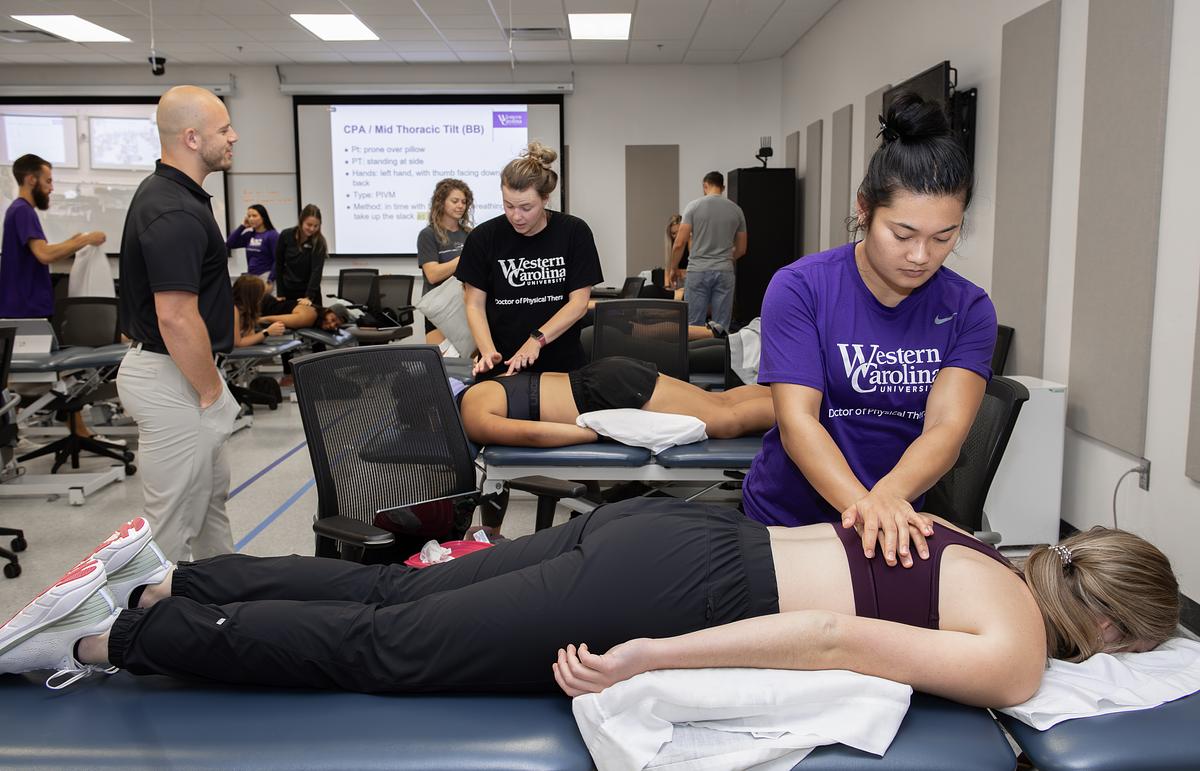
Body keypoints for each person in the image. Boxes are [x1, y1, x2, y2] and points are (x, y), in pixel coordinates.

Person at [0, 502, 1178, 710]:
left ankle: (168, 576)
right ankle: (113, 635)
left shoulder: (993, 550)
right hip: (682, 585)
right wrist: (653, 654)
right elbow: (825, 633)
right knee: (389, 648)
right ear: (1114, 635)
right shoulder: (1022, 652)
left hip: (682, 532)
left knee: (383, 589)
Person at [741, 92, 996, 571]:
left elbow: (946, 428)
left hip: (893, 524)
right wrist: (867, 509)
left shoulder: (969, 309)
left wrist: (884, 502)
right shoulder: (801, 288)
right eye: (902, 235)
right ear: (864, 209)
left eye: (944, 237)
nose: (921, 255)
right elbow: (800, 423)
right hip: (788, 520)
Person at [115, 85, 241, 563]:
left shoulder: (176, 196)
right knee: (170, 527)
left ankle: (218, 604)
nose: (234, 135)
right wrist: (211, 394)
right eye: (223, 128)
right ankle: (150, 631)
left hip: (181, 371)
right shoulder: (173, 209)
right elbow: (174, 316)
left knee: (208, 507)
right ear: (191, 138)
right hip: (174, 376)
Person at [456, 142, 603, 378]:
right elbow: (474, 304)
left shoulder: (574, 232)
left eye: (526, 207)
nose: (516, 216)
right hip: (503, 366)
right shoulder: (483, 238)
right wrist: (487, 352)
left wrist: (537, 339)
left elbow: (578, 303)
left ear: (545, 199)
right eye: (508, 205)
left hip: (561, 366)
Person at [1, 153, 110, 445]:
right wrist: (84, 239)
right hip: (25, 312)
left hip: (26, 309)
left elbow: (42, 251)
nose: (51, 188)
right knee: (44, 377)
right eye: (48, 181)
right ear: (31, 179)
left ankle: (76, 431)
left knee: (53, 378)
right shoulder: (22, 210)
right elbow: (44, 253)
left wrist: (76, 240)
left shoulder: (19, 212)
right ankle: (14, 434)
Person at [459, 355, 774, 447]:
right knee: (721, 402)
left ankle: (806, 411)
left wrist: (595, 434)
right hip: (602, 378)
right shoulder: (479, 389)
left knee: (726, 422)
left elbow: (534, 434)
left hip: (602, 393)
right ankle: (802, 399)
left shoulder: (472, 414)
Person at [669, 172, 747, 329]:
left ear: (705, 185)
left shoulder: (693, 206)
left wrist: (673, 268)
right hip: (724, 272)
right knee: (721, 328)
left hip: (698, 271)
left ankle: (695, 354)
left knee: (693, 325)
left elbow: (679, 243)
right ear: (723, 187)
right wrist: (725, 259)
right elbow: (741, 249)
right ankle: (718, 353)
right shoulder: (737, 210)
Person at [417, 179, 474, 344]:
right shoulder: (428, 234)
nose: (460, 206)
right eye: (455, 201)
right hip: (439, 309)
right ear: (441, 202)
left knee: (469, 363)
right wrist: (461, 259)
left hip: (465, 306)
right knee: (442, 362)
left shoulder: (469, 234)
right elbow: (433, 275)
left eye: (464, 202)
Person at [274, 204, 327, 305]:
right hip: (288, 291)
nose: (312, 229)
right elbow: (279, 265)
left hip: (308, 292)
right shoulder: (286, 235)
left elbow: (316, 271)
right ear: (301, 221)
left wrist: (308, 297)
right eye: (309, 225)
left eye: (316, 226)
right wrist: (280, 293)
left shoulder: (319, 242)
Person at [230, 275, 286, 348]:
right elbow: (237, 343)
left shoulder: (247, 311)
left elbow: (251, 338)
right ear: (252, 296)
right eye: (260, 295)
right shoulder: (234, 310)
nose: (262, 298)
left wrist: (269, 331)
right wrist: (266, 332)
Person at [226, 204, 278, 281]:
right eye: (249, 216)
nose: (251, 219)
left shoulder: (272, 235)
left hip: (266, 276)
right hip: (252, 277)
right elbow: (229, 243)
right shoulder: (249, 235)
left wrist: (270, 280)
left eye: (254, 216)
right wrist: (242, 226)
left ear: (263, 217)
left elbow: (277, 260)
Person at [666, 213, 688, 288]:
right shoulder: (671, 246)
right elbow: (668, 271)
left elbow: (696, 272)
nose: (677, 236)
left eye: (679, 232)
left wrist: (679, 271)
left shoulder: (691, 244)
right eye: (673, 233)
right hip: (678, 285)